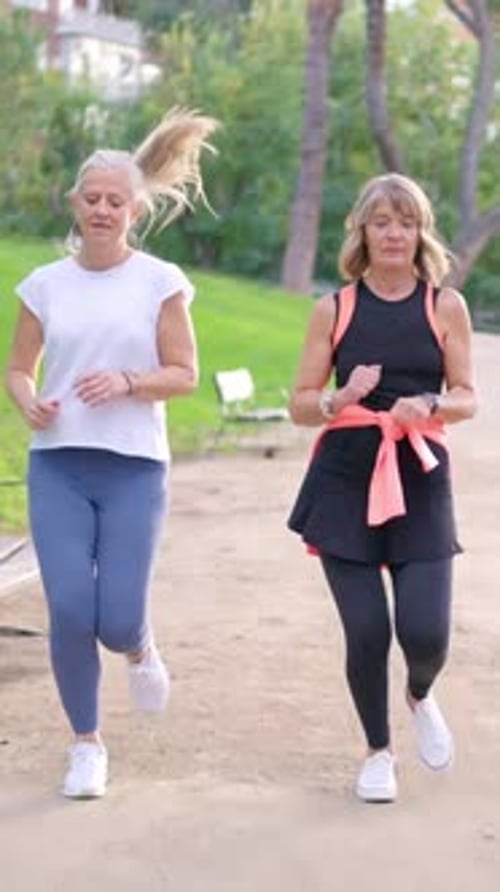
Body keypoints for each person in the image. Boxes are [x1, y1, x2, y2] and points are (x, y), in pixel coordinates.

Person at [5, 107, 219, 799]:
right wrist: (27, 401)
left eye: (115, 201)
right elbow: (19, 369)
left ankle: (140, 645)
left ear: (134, 210)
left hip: (134, 467)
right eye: (92, 198)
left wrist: (130, 382)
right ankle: (86, 745)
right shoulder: (44, 285)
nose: (102, 210)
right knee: (70, 608)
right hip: (59, 463)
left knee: (118, 615)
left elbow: (184, 374)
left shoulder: (160, 281)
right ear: (75, 203)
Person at [287, 173, 476, 803]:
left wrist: (430, 403)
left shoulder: (444, 306)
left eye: (406, 222)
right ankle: (378, 752)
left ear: (421, 232)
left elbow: (467, 396)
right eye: (381, 222)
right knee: (367, 632)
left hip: (420, 474)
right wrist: (341, 396)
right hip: (345, 477)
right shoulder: (334, 309)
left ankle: (419, 693)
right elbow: (301, 404)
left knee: (426, 635)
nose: (394, 233)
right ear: (362, 232)